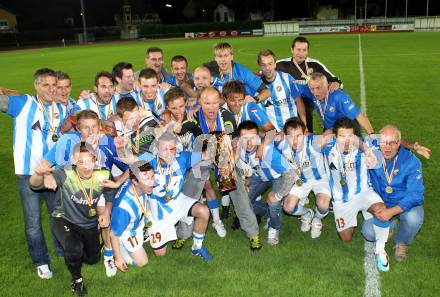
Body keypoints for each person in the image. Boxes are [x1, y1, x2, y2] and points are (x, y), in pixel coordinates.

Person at [42, 109, 128, 278]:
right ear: (78, 129)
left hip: (99, 191)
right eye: (86, 128)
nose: (91, 132)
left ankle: (108, 255)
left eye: (95, 127)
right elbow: (51, 167)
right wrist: (45, 174)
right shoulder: (67, 142)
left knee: (104, 215)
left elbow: (136, 165)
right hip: (74, 192)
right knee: (75, 239)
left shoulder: (108, 142)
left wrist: (122, 155)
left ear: (100, 127)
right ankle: (73, 243)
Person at [0, 68, 68, 279]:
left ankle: (62, 251)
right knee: (32, 223)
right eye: (45, 85)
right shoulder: (23, 103)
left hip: (52, 173)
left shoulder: (63, 107)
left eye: (53, 85)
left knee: (58, 215)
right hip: (27, 175)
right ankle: (41, 261)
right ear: (36, 85)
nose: (51, 89)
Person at [30, 142, 113, 296]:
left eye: (90, 160)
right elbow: (34, 186)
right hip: (64, 219)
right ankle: (77, 280)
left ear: (95, 159)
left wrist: (106, 212)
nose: (87, 166)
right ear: (74, 161)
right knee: (74, 248)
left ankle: (82, 250)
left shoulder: (104, 174)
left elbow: (109, 194)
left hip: (88, 223)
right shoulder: (65, 173)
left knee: (93, 259)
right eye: (81, 162)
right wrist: (39, 174)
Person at [322, 117, 390, 272]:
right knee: (346, 239)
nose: (346, 141)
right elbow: (300, 139)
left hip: (363, 193)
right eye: (342, 136)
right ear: (334, 136)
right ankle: (370, 218)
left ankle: (380, 249)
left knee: (381, 209)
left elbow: (390, 139)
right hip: (342, 200)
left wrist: (414, 146)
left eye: (350, 136)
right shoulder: (327, 146)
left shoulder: (362, 144)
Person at [361, 125, 424, 262]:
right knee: (368, 232)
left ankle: (401, 241)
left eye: (393, 142)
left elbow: (415, 195)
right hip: (381, 203)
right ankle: (390, 225)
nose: (387, 147)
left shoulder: (411, 162)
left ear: (399, 143)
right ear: (378, 142)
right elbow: (350, 138)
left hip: (403, 203)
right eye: (383, 142)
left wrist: (391, 212)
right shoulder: (372, 152)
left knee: (414, 218)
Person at [235, 121, 295, 245]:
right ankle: (269, 213)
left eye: (253, 138)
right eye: (245, 138)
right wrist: (245, 184)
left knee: (274, 202)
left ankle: (274, 227)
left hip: (278, 176)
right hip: (259, 176)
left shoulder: (268, 151)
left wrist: (278, 196)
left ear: (259, 137)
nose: (249, 142)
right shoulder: (239, 149)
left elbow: (290, 175)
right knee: (243, 202)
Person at [277, 117, 331, 238]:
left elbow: (332, 131)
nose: (295, 141)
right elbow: (264, 138)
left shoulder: (314, 142)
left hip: (320, 180)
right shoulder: (281, 145)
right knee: (288, 207)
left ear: (305, 133)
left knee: (323, 205)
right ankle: (307, 213)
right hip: (300, 181)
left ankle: (317, 219)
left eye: (299, 135)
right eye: (291, 136)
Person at [277, 36, 343, 133]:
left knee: (306, 110)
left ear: (307, 51)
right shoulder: (281, 65)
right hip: (287, 101)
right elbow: (263, 73)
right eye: (298, 49)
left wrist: (336, 83)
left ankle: (310, 134)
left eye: (304, 50)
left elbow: (335, 80)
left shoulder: (314, 64)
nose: (301, 53)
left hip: (308, 101)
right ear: (292, 50)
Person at [110, 161, 154, 271]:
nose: (151, 182)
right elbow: (113, 234)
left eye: (152, 176)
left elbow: (132, 166)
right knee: (143, 262)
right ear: (134, 181)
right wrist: (118, 259)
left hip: (136, 221)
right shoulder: (124, 207)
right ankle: (120, 247)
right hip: (127, 231)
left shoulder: (136, 181)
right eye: (146, 179)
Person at [304, 72, 373, 136]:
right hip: (330, 128)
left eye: (318, 88)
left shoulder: (339, 97)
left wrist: (371, 134)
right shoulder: (311, 93)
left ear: (327, 85)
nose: (315, 92)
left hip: (347, 129)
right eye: (312, 89)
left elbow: (359, 116)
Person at [258, 50, 307, 131]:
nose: (267, 68)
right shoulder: (256, 85)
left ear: (275, 64)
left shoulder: (287, 78)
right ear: (260, 66)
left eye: (270, 64)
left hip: (292, 129)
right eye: (263, 65)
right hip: (272, 132)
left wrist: (304, 126)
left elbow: (299, 101)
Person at [205, 42, 271, 101]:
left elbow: (266, 91)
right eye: (220, 56)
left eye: (226, 55)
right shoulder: (210, 72)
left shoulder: (241, 71)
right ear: (215, 58)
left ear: (231, 57)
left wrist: (254, 99)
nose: (223, 59)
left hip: (244, 107)